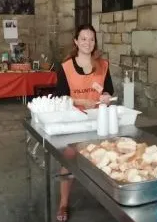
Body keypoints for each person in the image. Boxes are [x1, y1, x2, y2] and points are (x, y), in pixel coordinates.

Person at [54, 24, 114, 221]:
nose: (88, 43)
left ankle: (107, 198)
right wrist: (81, 101)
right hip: (74, 121)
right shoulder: (65, 67)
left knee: (102, 158)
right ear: (76, 41)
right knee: (69, 161)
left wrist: (105, 96)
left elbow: (109, 91)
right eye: (84, 38)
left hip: (98, 120)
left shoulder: (103, 65)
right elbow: (60, 97)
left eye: (91, 39)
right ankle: (63, 203)